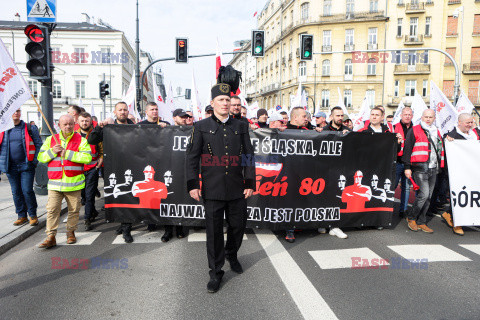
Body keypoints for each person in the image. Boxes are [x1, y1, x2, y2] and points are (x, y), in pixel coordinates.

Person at [186, 83, 255, 293]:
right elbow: (191, 158)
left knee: (238, 226)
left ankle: (231, 254)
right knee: (214, 232)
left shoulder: (241, 126)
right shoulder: (200, 126)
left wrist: (250, 182)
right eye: (221, 100)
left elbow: (248, 155)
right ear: (212, 103)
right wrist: (192, 185)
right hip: (212, 189)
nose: (225, 103)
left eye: (228, 100)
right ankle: (215, 272)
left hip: (236, 188)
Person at [37, 115, 92, 248]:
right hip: (55, 184)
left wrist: (67, 154)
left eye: (70, 124)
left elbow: (87, 158)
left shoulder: (81, 140)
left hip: (74, 184)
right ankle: (51, 236)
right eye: (65, 124)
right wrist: (51, 151)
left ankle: (70, 232)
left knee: (74, 210)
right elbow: (41, 157)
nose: (68, 127)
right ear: (59, 126)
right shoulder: (51, 140)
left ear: (74, 125)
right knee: (52, 210)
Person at [88, 101, 136, 243]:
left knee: (127, 196)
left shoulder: (134, 127)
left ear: (128, 112)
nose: (123, 112)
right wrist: (99, 127)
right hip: (113, 168)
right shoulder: (108, 127)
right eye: (120, 110)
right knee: (116, 197)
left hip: (131, 167)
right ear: (115, 112)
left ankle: (126, 228)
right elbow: (92, 140)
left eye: (125, 110)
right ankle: (122, 223)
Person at [403, 109, 443, 234]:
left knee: (429, 197)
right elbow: (407, 149)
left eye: (430, 117)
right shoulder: (414, 130)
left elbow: (440, 147)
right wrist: (407, 167)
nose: (428, 119)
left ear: (434, 118)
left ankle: (421, 221)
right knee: (423, 195)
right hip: (420, 168)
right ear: (421, 117)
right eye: (426, 116)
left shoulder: (436, 131)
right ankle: (412, 217)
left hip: (433, 168)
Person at [0, 109, 42, 226]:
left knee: (27, 190)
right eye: (13, 111)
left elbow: (39, 145)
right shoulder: (3, 128)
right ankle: (21, 215)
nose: (16, 113)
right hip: (10, 166)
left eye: (18, 111)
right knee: (16, 192)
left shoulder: (29, 128)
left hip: (26, 165)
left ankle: (32, 215)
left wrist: (34, 161)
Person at [441, 113, 480, 235]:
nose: (470, 125)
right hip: (458, 172)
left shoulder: (475, 134)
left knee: (472, 195)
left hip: (473, 171)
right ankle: (457, 222)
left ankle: (449, 213)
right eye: (467, 122)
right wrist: (447, 140)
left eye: (471, 122)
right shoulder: (451, 136)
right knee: (459, 195)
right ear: (459, 122)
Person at [76, 112, 102, 231]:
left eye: (87, 121)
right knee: (83, 195)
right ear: (78, 122)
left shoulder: (95, 134)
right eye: (82, 121)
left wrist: (99, 163)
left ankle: (87, 219)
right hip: (78, 170)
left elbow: (101, 149)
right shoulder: (74, 135)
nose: (84, 123)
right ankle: (93, 212)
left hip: (92, 168)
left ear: (90, 122)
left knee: (89, 194)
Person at [394, 107, 413, 217]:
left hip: (409, 164)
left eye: (409, 114)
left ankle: (403, 210)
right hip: (397, 162)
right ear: (401, 115)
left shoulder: (415, 128)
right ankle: (388, 209)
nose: (407, 116)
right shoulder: (394, 127)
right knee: (393, 186)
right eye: (405, 114)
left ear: (412, 116)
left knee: (406, 188)